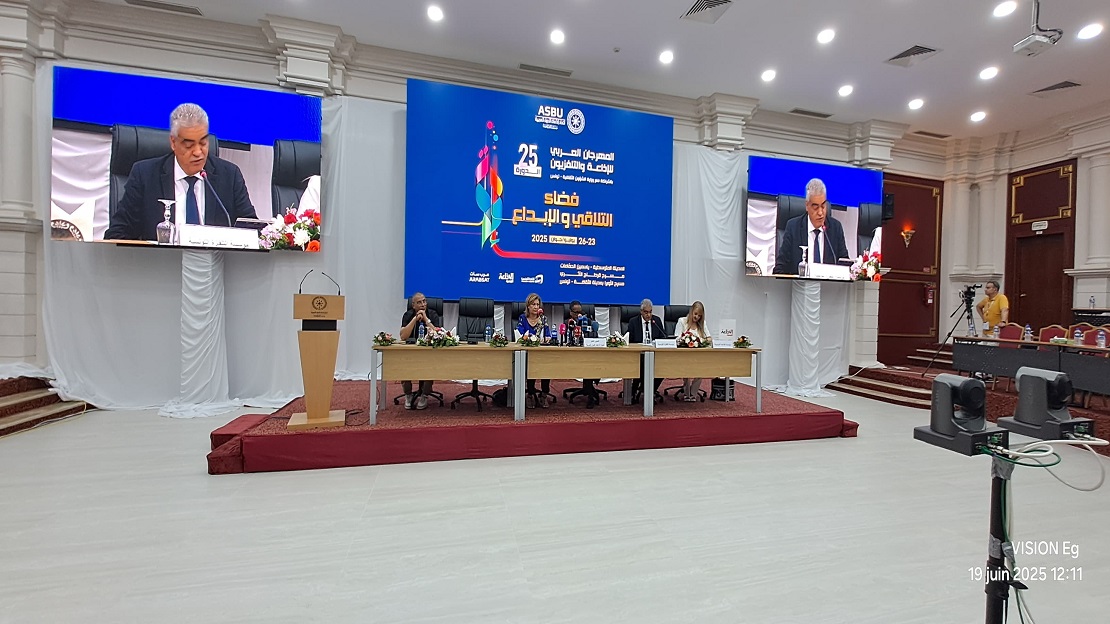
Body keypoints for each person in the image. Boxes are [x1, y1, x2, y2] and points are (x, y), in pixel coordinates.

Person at [105, 103, 256, 241]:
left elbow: (253, 232)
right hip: (160, 261)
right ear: (173, 142)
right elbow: (118, 233)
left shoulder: (229, 176)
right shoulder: (145, 175)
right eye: (189, 145)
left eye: (203, 143)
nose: (198, 152)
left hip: (214, 261)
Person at [772, 178, 850, 275]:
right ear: (807, 205)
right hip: (800, 284)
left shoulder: (835, 228)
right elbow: (780, 268)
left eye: (823, 206)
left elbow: (845, 266)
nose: (820, 212)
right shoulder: (793, 228)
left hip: (828, 284)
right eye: (816, 207)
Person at [398, 292, 441, 410]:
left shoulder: (433, 314)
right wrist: (414, 319)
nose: (423, 304)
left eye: (424, 301)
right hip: (411, 352)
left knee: (430, 366)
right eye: (419, 302)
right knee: (403, 366)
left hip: (428, 352)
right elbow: (403, 337)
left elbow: (438, 334)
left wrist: (426, 319)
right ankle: (408, 395)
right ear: (413, 305)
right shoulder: (407, 315)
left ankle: (424, 395)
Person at [517, 293, 554, 407]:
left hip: (542, 352)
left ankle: (544, 394)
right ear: (528, 306)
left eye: (538, 304)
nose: (536, 307)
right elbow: (521, 335)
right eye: (533, 304)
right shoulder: (522, 318)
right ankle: (530, 394)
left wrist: (547, 338)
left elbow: (547, 335)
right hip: (528, 352)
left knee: (546, 367)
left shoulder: (543, 319)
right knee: (530, 367)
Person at [627, 298, 666, 402]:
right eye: (646, 312)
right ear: (641, 312)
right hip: (638, 355)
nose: (648, 315)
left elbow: (663, 337)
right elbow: (629, 341)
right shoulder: (633, 322)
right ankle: (639, 389)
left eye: (650, 312)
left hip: (654, 354)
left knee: (664, 368)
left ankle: (649, 390)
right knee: (642, 366)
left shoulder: (656, 321)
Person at [674, 301, 710, 402]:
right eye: (695, 314)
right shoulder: (682, 321)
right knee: (687, 369)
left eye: (699, 316)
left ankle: (693, 394)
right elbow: (676, 338)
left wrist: (699, 341)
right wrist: (686, 339)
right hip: (683, 355)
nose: (697, 317)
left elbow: (709, 338)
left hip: (698, 356)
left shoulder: (702, 324)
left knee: (701, 369)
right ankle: (686, 393)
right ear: (691, 311)